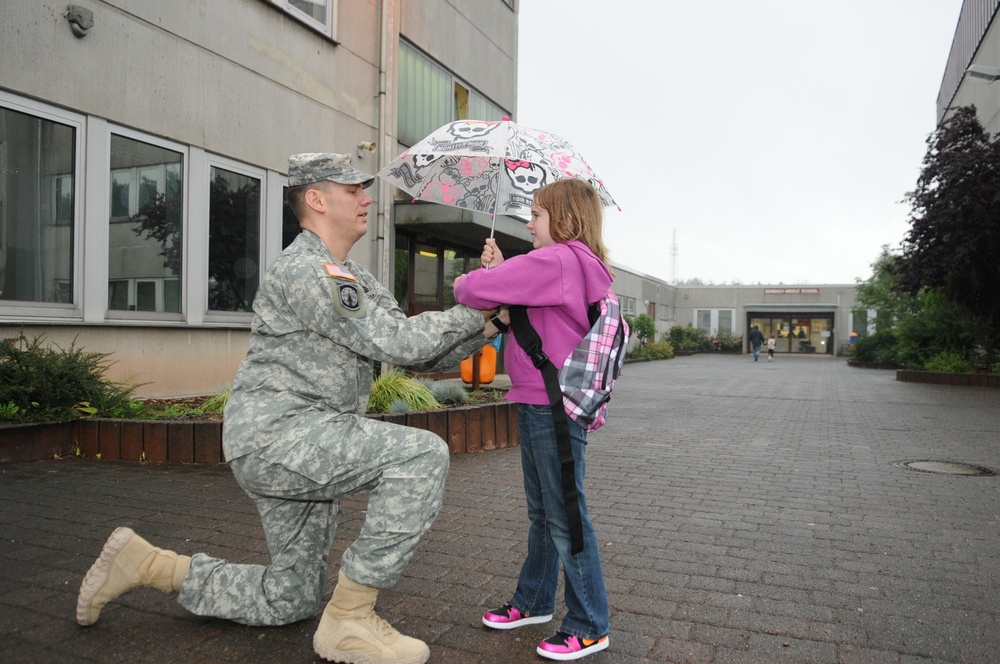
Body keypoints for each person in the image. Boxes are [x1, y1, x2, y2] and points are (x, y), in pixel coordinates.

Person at [76, 153, 506, 664]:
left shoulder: (354, 277)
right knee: (420, 457)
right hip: (280, 437)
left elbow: (417, 353)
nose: (367, 198)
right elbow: (397, 339)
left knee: (292, 597)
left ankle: (150, 566)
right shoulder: (310, 270)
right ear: (317, 200)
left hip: (304, 438)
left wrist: (491, 323)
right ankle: (349, 619)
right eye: (353, 190)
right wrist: (474, 301)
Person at [452, 178, 612, 661]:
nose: (529, 222)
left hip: (549, 404)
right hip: (544, 399)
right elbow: (525, 300)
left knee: (564, 514)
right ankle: (536, 600)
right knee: (547, 511)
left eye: (537, 214)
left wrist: (483, 277)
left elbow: (470, 290)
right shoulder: (568, 263)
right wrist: (506, 273)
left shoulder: (559, 259)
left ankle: (589, 623)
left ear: (564, 220)